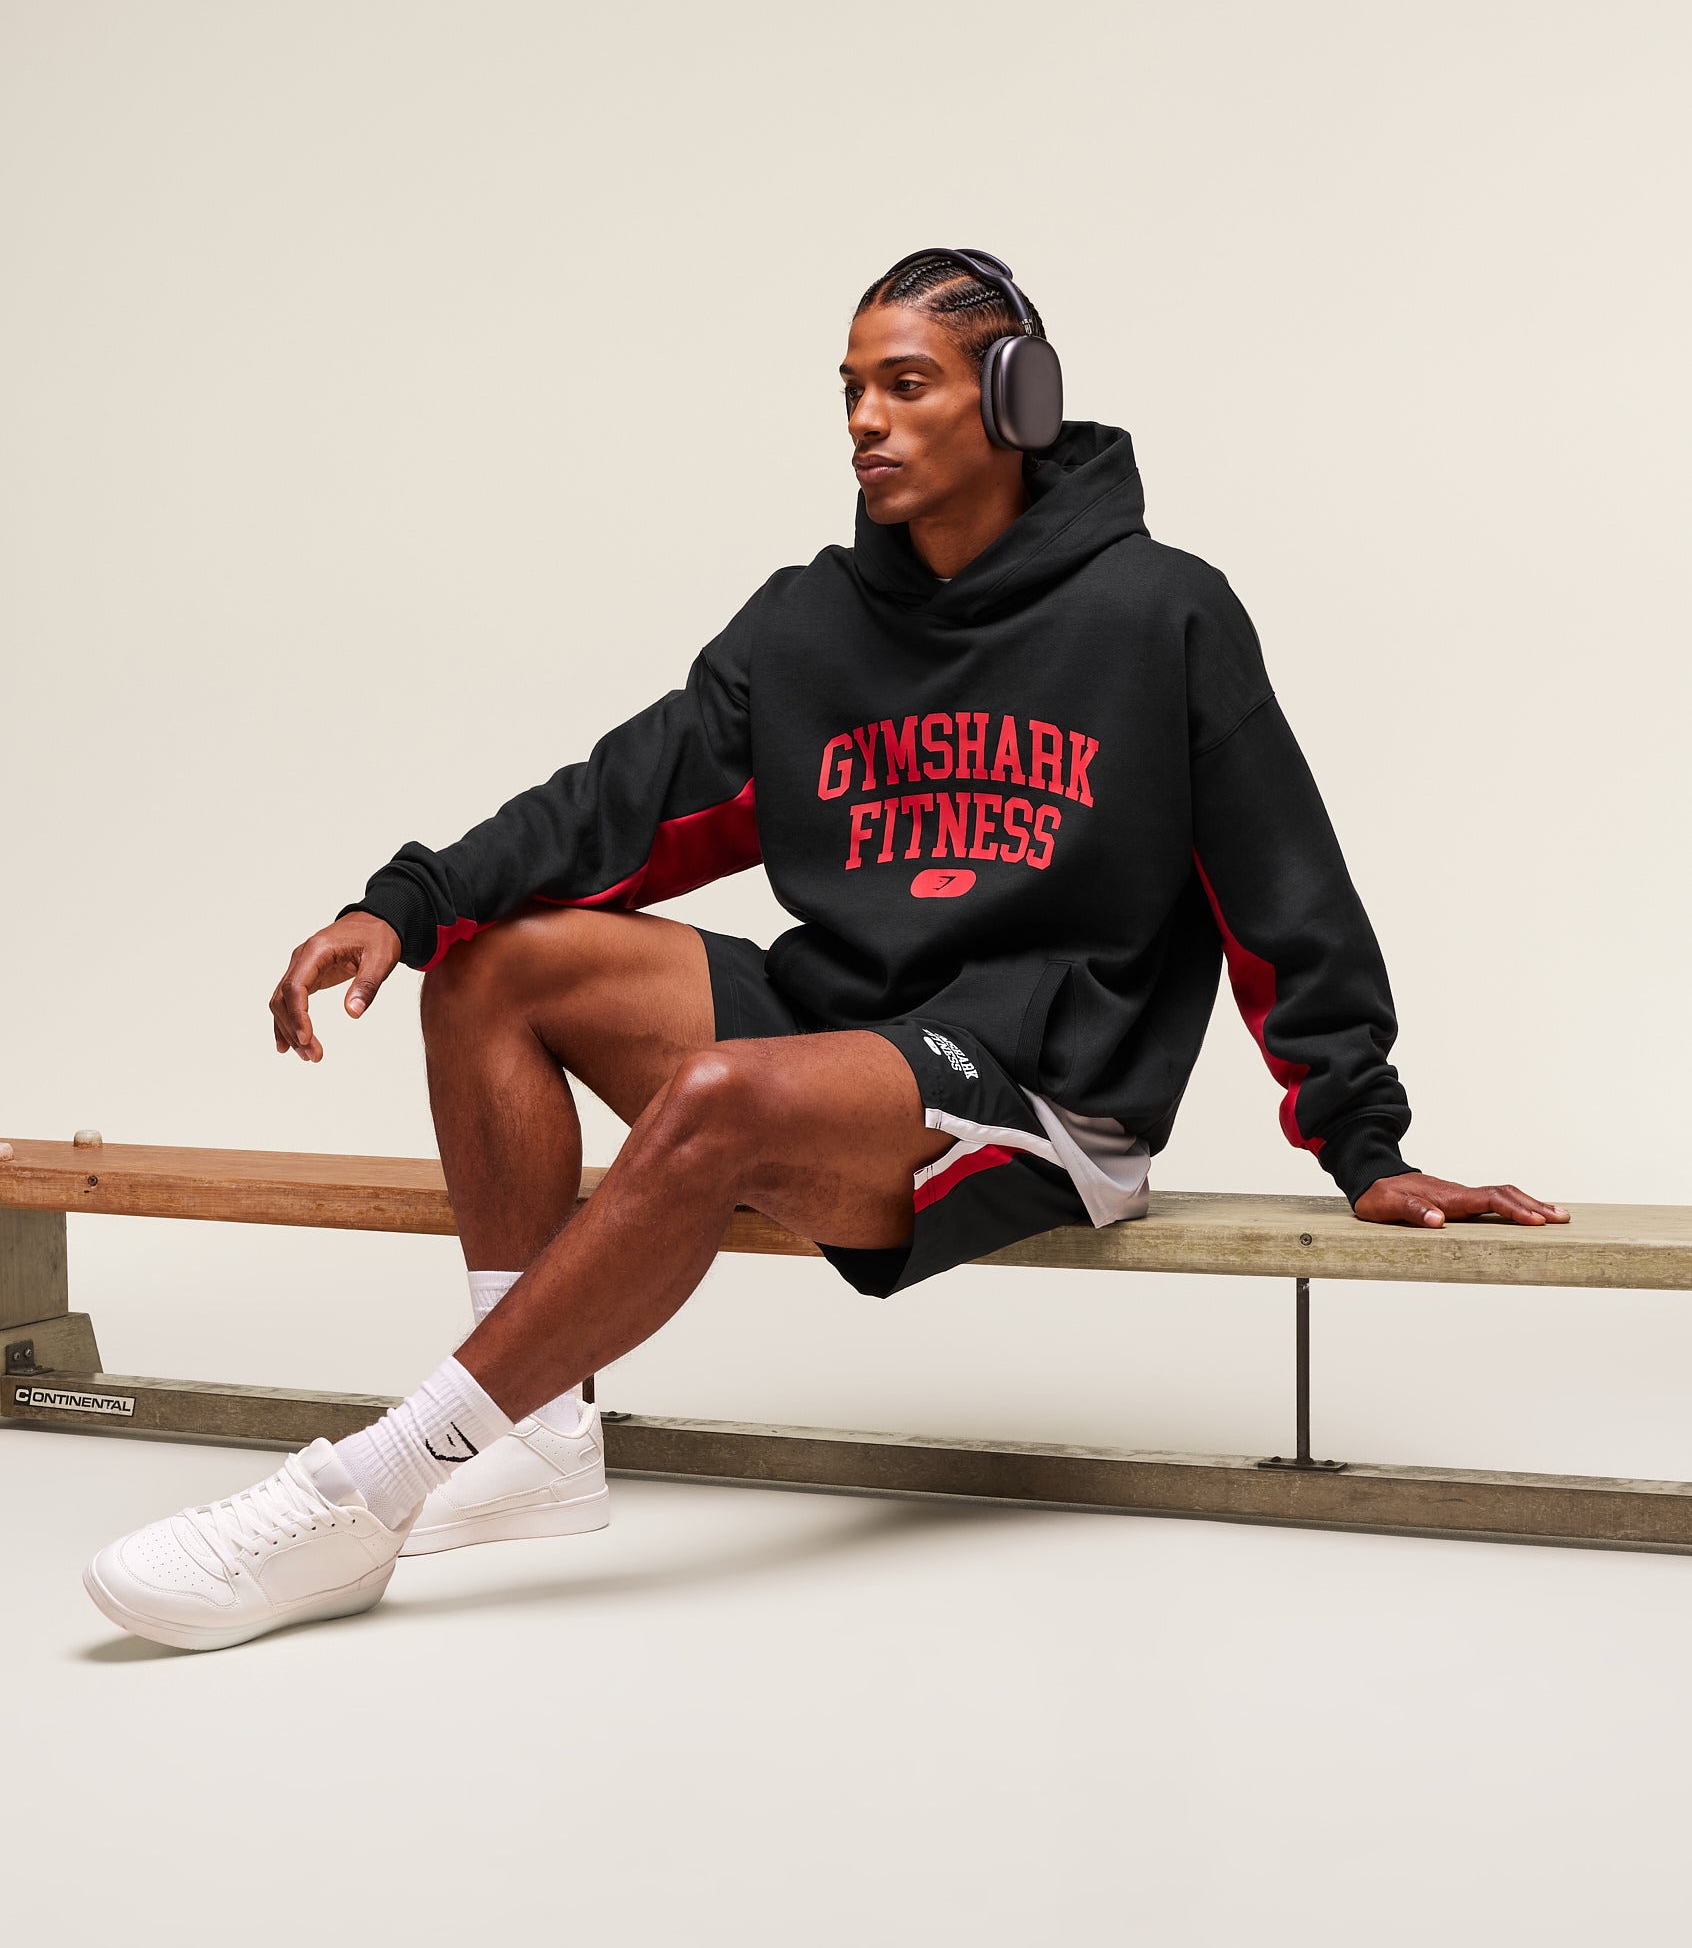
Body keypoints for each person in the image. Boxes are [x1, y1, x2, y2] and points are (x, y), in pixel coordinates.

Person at [83, 248, 1566, 1651]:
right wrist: (407, 903)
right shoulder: (810, 619)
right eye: (851, 387)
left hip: (1042, 1083)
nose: (865, 418)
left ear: (1016, 398)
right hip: (853, 1030)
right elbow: (624, 801)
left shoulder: (1159, 611)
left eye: (906, 384)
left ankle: (372, 1491)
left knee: (718, 1095)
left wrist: (1365, 1143)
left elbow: (1281, 882)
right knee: (496, 963)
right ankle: (533, 1441)